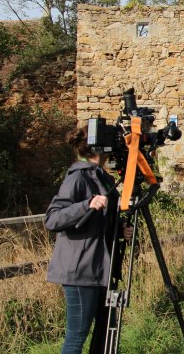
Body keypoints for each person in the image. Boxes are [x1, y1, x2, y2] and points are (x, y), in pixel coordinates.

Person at [45, 127, 133, 354]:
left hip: (102, 269)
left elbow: (102, 222)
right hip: (81, 272)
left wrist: (121, 228)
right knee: (77, 337)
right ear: (97, 146)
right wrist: (86, 204)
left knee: (106, 332)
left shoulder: (103, 177)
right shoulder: (77, 178)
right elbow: (52, 219)